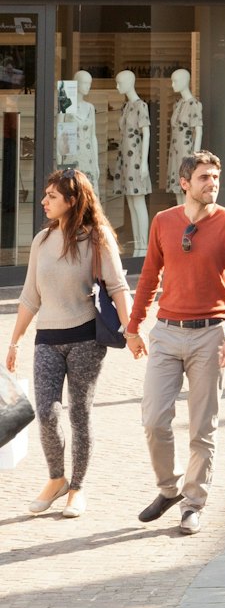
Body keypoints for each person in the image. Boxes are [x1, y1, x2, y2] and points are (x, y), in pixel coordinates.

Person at [127, 150, 225, 534]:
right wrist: (133, 328)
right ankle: (169, 489)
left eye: (215, 177)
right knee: (153, 420)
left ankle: (193, 503)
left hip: (210, 335)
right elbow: (148, 276)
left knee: (202, 428)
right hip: (165, 332)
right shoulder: (164, 222)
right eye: (204, 178)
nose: (212, 183)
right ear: (184, 183)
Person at [7, 168, 131, 518]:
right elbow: (30, 295)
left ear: (72, 201)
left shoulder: (97, 238)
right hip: (47, 338)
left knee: (79, 413)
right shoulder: (41, 241)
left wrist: (132, 331)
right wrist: (14, 341)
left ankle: (77, 487)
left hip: (86, 339)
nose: (44, 201)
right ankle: (56, 478)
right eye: (45, 195)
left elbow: (119, 287)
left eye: (52, 196)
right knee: (45, 412)